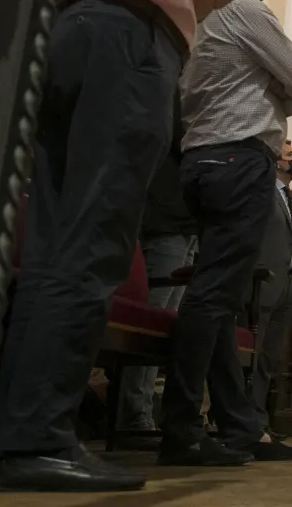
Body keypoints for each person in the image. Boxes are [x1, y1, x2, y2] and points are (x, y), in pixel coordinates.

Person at [0, 0, 246, 491]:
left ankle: (14, 431)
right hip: (130, 43)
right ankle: (40, 439)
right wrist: (181, 10)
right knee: (98, 237)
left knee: (47, 241)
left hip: (60, 39)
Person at [160, 0, 292, 466]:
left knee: (220, 295)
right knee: (212, 296)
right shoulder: (245, 10)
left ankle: (239, 425)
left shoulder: (194, 18)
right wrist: (274, 90)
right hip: (239, 158)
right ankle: (181, 427)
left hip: (200, 161)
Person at [118, 103, 198, 443]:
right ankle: (133, 415)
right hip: (166, 225)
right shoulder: (173, 109)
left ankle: (144, 412)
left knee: (166, 328)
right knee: (150, 328)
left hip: (187, 227)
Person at [249, 140, 292, 436]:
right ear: (275, 162)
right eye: (290, 155)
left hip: (289, 282)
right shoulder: (261, 194)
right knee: (254, 352)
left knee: (270, 356)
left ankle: (259, 419)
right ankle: (245, 419)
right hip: (264, 281)